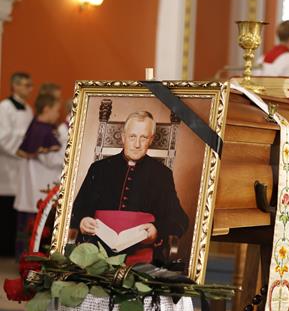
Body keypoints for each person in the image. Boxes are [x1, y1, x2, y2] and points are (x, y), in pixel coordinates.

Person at [71, 110, 189, 265]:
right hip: (97, 251)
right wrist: (82, 221)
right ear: (123, 137)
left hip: (142, 256)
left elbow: (179, 219)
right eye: (132, 136)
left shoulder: (162, 174)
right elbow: (77, 209)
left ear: (151, 139)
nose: (137, 144)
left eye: (143, 137)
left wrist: (156, 231)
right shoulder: (99, 169)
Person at [14, 93, 62, 257]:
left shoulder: (36, 126)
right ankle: (31, 259)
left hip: (33, 183)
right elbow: (49, 159)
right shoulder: (43, 130)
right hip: (38, 185)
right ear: (46, 109)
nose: (58, 114)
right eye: (56, 110)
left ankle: (24, 257)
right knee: (36, 226)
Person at [0, 72, 33, 256]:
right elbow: (3, 137)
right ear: (15, 86)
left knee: (16, 210)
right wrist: (20, 149)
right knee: (5, 210)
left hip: (22, 166)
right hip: (7, 166)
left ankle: (13, 248)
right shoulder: (4, 107)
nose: (30, 89)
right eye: (27, 85)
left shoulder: (28, 109)